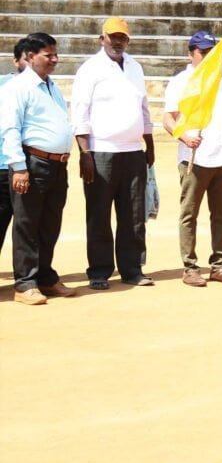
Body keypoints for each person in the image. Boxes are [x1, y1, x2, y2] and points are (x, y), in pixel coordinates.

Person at [71, 17, 155, 290]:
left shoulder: (135, 67)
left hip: (132, 152)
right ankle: (99, 270)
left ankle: (132, 269)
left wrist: (149, 143)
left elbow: (143, 107)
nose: (118, 42)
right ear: (102, 38)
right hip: (101, 151)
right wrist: (85, 153)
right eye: (112, 37)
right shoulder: (90, 69)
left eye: (123, 38)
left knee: (133, 214)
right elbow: (79, 112)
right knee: (99, 214)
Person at [162, 31, 222, 288]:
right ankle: (190, 266)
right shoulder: (181, 81)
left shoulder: (221, 83)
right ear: (191, 54)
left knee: (220, 215)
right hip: (193, 160)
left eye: (211, 52)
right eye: (202, 52)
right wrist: (185, 137)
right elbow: (168, 119)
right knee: (190, 214)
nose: (207, 56)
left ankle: (218, 265)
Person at [0, 33, 76, 305]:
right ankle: (25, 283)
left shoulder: (51, 85)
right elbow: (10, 128)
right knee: (27, 225)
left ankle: (45, 276)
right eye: (48, 55)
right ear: (31, 57)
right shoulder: (17, 87)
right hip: (33, 163)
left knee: (49, 224)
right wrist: (19, 168)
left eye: (55, 54)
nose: (54, 59)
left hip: (57, 164)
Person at [0, 38, 29, 256]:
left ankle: (29, 278)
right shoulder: (4, 86)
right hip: (4, 165)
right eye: (26, 59)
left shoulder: (47, 87)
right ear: (15, 61)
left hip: (32, 167)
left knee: (28, 225)